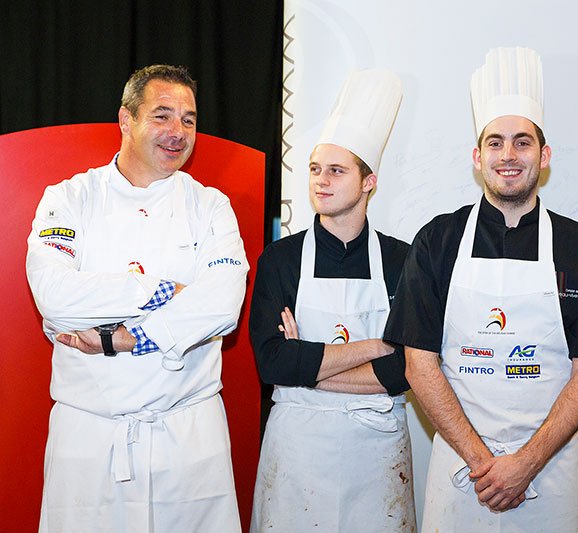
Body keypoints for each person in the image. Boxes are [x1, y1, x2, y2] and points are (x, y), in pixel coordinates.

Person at [383, 47, 578, 532]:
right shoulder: (437, 240)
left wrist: (526, 463)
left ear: (544, 154)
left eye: (522, 142)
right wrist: (484, 462)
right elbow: (418, 363)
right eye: (495, 143)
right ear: (477, 157)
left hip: (550, 472)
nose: (508, 156)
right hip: (463, 473)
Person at [26, 64, 248, 532]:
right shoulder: (69, 199)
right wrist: (161, 289)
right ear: (125, 120)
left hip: (189, 436)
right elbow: (55, 296)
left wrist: (126, 338)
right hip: (90, 437)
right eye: (162, 115)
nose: (178, 132)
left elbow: (222, 307)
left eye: (189, 119)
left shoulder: (211, 207)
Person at [249, 69, 415, 532]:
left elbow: (408, 370)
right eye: (315, 169)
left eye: (337, 171)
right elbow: (273, 364)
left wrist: (309, 367)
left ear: (369, 182)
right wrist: (376, 345)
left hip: (378, 457)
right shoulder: (279, 259)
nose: (321, 181)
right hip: (297, 455)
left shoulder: (404, 261)